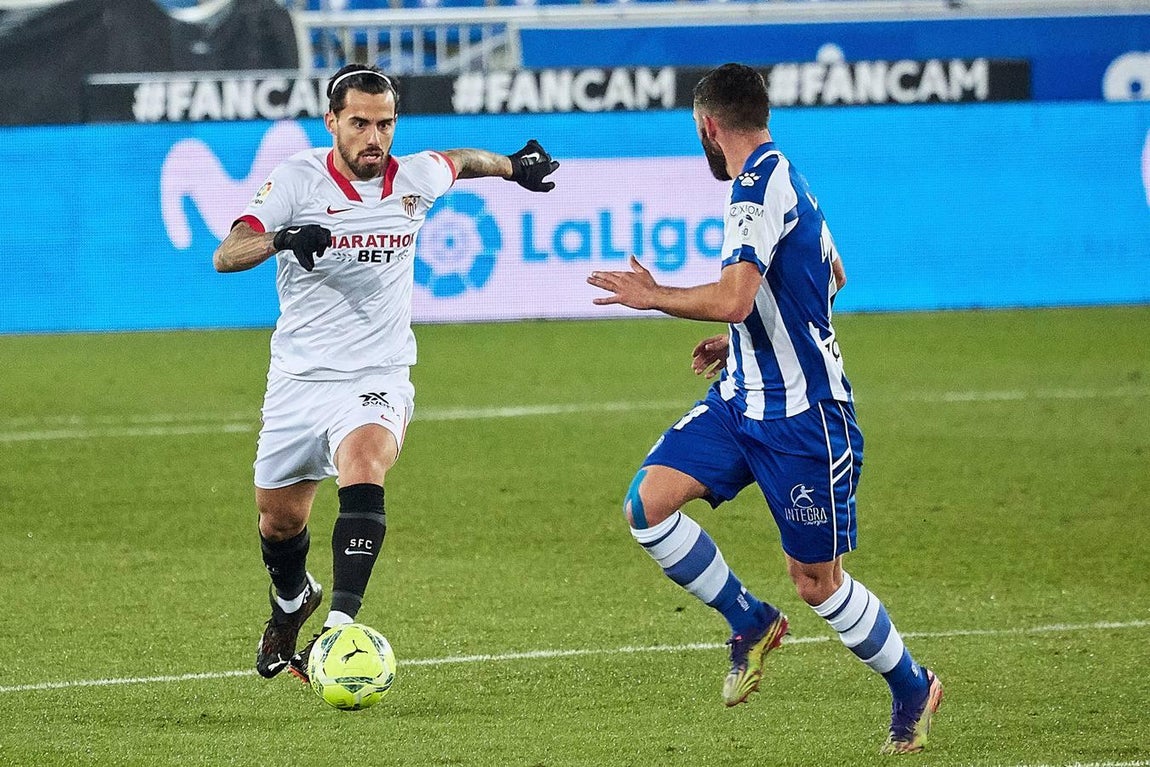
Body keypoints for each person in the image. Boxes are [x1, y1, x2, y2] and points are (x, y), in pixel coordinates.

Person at [586, 63, 942, 755]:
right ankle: (747, 620)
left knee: (816, 582)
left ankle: (911, 682)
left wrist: (653, 293)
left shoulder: (754, 192)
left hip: (807, 421)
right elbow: (831, 275)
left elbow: (735, 295)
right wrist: (743, 339)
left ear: (708, 126)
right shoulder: (789, 175)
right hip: (740, 401)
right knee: (647, 503)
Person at [213, 64, 559, 684]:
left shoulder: (415, 177)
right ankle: (293, 600)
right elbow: (227, 253)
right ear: (333, 124)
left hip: (378, 370)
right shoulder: (297, 179)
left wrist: (513, 164)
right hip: (299, 377)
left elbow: (461, 160)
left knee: (364, 464)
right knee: (279, 519)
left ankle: (341, 629)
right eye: (360, 124)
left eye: (385, 123)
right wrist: (285, 238)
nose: (374, 137)